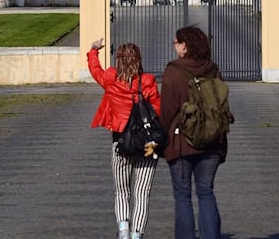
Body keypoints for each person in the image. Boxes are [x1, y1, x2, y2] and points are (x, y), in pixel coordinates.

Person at [88, 37, 161, 239]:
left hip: (120, 142)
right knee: (142, 193)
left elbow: (96, 72)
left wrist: (94, 50)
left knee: (121, 191)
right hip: (147, 145)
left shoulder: (111, 79)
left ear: (118, 60)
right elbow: (158, 111)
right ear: (138, 60)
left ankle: (123, 232)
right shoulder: (147, 81)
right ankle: (137, 235)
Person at [159, 26, 227, 239]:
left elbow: (167, 110)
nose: (174, 46)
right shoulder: (213, 69)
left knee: (183, 195)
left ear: (184, 45)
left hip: (182, 142)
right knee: (206, 192)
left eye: (176, 42)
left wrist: (160, 138)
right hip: (212, 140)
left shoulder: (173, 71)